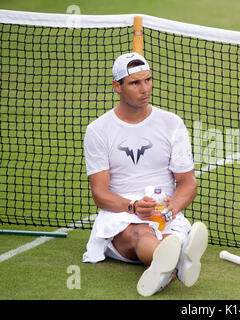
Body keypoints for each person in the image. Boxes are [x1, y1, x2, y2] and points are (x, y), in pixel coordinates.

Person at [82, 52, 208, 297]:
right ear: (117, 86)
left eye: (148, 80)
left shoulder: (172, 123)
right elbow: (100, 193)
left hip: (166, 213)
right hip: (122, 217)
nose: (144, 89)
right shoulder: (98, 130)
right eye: (134, 83)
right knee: (142, 232)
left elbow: (187, 183)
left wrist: (171, 208)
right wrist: (133, 207)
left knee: (167, 235)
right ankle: (179, 261)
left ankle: (167, 264)